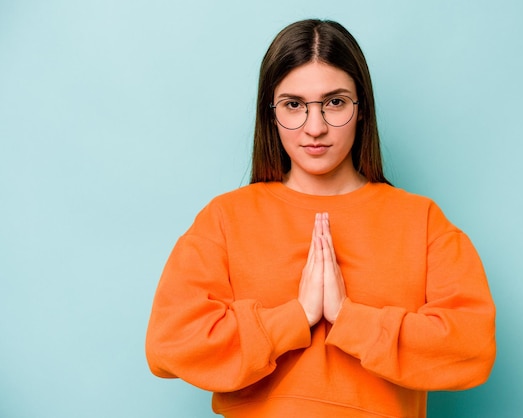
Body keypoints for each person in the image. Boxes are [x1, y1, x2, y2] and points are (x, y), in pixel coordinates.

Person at [145, 19, 496, 418]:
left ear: (362, 109)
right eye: (294, 105)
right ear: (271, 114)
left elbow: (472, 347)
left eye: (335, 102)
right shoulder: (225, 219)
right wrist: (296, 317)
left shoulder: (422, 221)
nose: (316, 128)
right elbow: (169, 343)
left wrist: (350, 318)